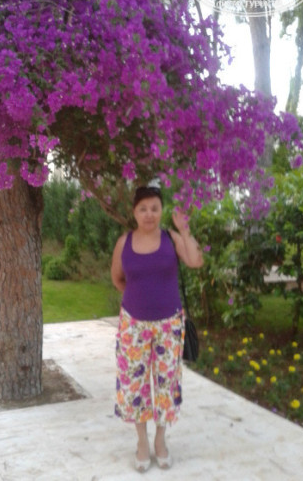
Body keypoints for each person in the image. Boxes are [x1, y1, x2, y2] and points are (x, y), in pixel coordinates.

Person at [111, 185, 203, 472]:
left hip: (169, 325)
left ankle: (160, 440)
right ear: (134, 212)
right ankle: (142, 442)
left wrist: (184, 230)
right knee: (133, 385)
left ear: (161, 210)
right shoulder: (124, 242)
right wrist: (138, 300)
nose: (149, 214)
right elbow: (117, 278)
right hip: (133, 326)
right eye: (143, 209)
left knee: (167, 383)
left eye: (154, 208)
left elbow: (195, 261)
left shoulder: (171, 239)